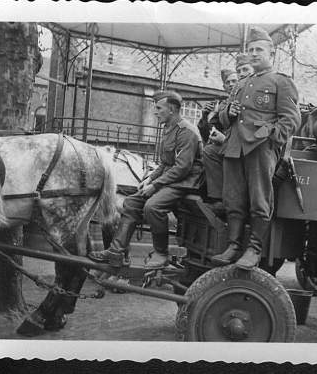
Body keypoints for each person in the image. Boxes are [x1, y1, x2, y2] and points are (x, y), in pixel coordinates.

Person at [211, 26, 301, 270]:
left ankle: (254, 249)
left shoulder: (280, 82)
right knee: (233, 198)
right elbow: (222, 115)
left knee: (260, 200)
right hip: (233, 147)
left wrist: (271, 137)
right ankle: (233, 246)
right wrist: (226, 113)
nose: (253, 54)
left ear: (271, 52)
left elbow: (291, 119)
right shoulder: (241, 84)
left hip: (260, 149)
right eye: (250, 50)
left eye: (259, 49)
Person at [89, 92, 204, 268]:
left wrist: (155, 185)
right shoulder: (169, 129)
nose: (155, 112)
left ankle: (161, 253)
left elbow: (182, 168)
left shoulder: (186, 132)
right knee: (132, 202)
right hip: (174, 178)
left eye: (158, 108)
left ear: (172, 109)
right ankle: (115, 251)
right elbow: (166, 164)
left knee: (153, 206)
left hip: (187, 182)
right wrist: (150, 179)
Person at [198, 69, 238, 205]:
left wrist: (224, 140)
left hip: (242, 149)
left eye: (234, 81)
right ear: (224, 87)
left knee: (209, 152)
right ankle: (213, 198)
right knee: (206, 152)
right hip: (225, 148)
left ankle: (219, 199)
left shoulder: (246, 102)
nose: (231, 84)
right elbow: (209, 132)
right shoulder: (223, 105)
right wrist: (205, 116)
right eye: (228, 82)